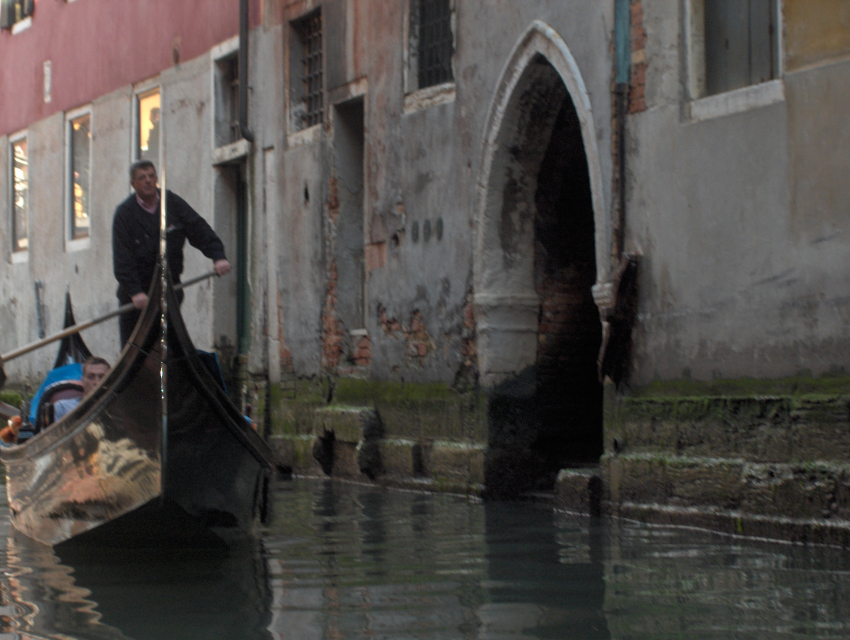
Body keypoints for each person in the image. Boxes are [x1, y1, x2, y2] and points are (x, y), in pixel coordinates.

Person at [112, 160, 231, 345]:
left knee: (171, 345)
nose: (148, 181)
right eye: (142, 177)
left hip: (170, 288)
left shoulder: (172, 203)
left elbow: (198, 229)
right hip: (136, 298)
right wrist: (135, 291)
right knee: (135, 347)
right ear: (133, 184)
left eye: (151, 176)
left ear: (157, 179)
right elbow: (122, 257)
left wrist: (218, 256)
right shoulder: (124, 213)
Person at [53, 357, 111, 421]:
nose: (96, 382)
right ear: (83, 381)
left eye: (102, 377)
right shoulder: (63, 407)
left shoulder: (117, 407)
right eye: (91, 377)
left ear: (109, 380)